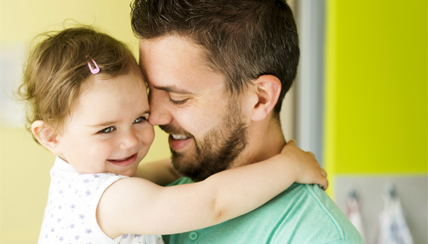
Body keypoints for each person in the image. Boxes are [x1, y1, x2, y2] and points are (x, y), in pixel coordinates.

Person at [19, 26, 328, 244]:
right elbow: (214, 202)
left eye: (140, 118)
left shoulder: (84, 181)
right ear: (50, 137)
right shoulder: (110, 201)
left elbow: (160, 171)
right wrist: (291, 166)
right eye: (107, 129)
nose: (131, 141)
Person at [131, 0, 365, 243]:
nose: (154, 116)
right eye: (148, 89)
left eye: (178, 97)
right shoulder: (155, 202)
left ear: (260, 98)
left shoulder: (315, 237)